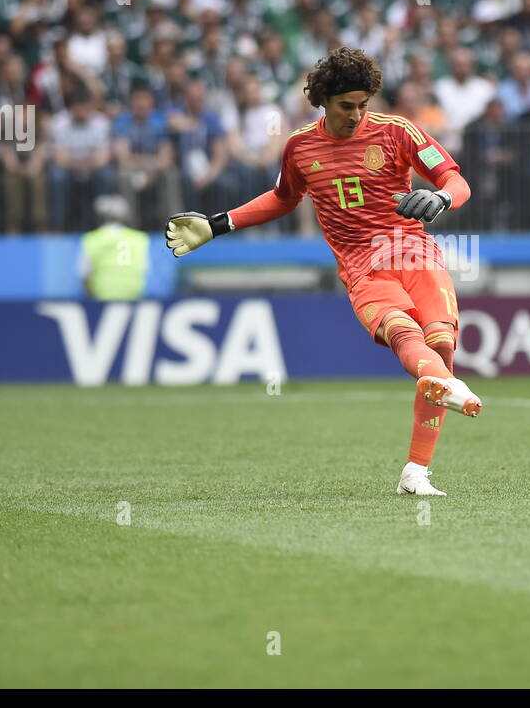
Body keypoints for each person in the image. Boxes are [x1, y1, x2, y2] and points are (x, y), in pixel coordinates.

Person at [165, 47, 480, 497]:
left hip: (414, 254)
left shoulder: (398, 132)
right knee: (403, 336)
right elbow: (282, 198)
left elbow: (455, 179)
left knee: (441, 344)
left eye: (363, 105)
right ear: (324, 102)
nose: (356, 115)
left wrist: (443, 199)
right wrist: (219, 224)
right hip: (362, 268)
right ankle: (449, 389)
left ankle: (415, 471)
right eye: (346, 106)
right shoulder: (300, 147)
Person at [78, 195, 150, 301]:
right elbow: (144, 270)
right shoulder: (139, 239)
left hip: (101, 297)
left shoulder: (91, 239)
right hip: (133, 296)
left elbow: (84, 274)